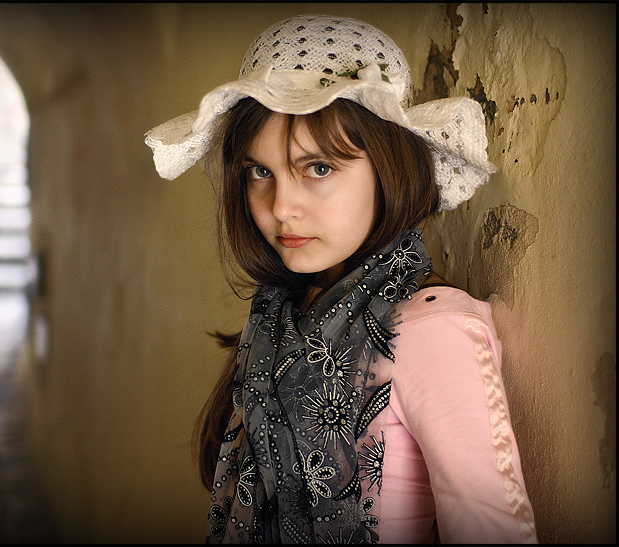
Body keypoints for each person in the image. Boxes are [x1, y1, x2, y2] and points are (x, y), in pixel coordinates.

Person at [145, 14, 537, 544]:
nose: (281, 207)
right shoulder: (282, 318)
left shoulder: (431, 331)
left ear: (389, 167)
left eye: (318, 168)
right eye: (260, 172)